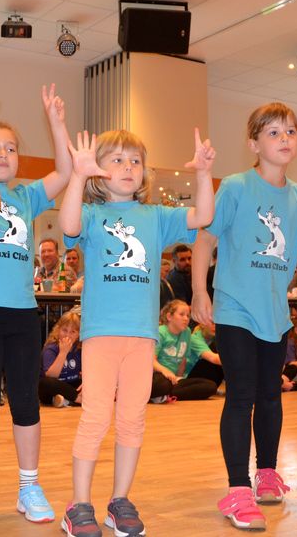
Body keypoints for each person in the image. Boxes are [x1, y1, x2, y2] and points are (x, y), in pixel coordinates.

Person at [59, 126, 215, 537]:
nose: (128, 167)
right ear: (99, 171)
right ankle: (79, 505)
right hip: (101, 335)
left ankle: (120, 501)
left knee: (132, 418)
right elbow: (68, 225)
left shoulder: (156, 216)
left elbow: (203, 217)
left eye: (135, 161)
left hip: (142, 337)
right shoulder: (92, 214)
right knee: (95, 417)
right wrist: (77, 175)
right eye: (117, 160)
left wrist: (203, 174)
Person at [191, 102, 297, 533]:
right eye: (273, 132)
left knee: (271, 395)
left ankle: (267, 473)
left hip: (275, 314)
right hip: (235, 308)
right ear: (253, 143)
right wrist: (199, 291)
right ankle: (237, 489)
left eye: (291, 131)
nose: (284, 138)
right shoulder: (235, 187)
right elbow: (205, 240)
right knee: (241, 396)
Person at [0, 70, 72, 531]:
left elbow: (65, 172)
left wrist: (56, 122)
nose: (2, 154)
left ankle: (29, 486)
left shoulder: (26, 195)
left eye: (10, 148)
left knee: (26, 402)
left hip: (23, 314)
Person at [151, 299, 222, 401]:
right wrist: (165, 371)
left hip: (173, 379)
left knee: (210, 386)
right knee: (162, 384)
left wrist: (180, 377)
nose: (186, 318)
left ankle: (166, 396)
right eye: (181, 315)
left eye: (188, 316)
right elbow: (151, 360)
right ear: (169, 316)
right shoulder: (160, 332)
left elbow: (183, 360)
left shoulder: (187, 332)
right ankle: (162, 393)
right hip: (158, 375)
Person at [39, 310, 83, 407]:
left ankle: (64, 401)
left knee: (89, 383)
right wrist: (63, 352)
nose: (67, 335)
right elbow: (52, 375)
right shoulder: (51, 348)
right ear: (58, 330)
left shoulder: (79, 349)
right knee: (46, 383)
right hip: (53, 387)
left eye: (73, 332)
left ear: (78, 335)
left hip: (71, 385)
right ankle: (79, 400)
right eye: (64, 330)